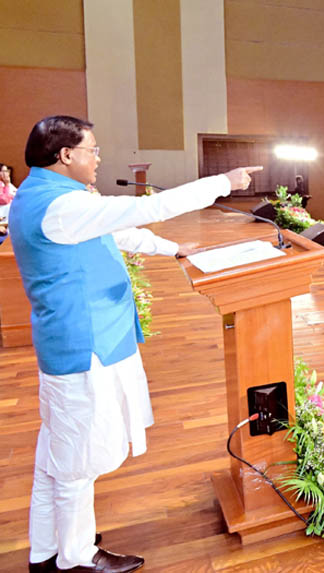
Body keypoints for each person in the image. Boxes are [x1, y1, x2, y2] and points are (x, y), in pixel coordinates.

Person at [11, 115, 261, 572]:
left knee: (57, 456)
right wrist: (223, 182)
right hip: (84, 345)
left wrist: (173, 249)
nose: (98, 158)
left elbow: (115, 230)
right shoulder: (60, 206)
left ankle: (47, 551)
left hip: (77, 339)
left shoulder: (45, 196)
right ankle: (75, 558)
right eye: (92, 150)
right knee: (76, 460)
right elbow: (147, 209)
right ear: (65, 155)